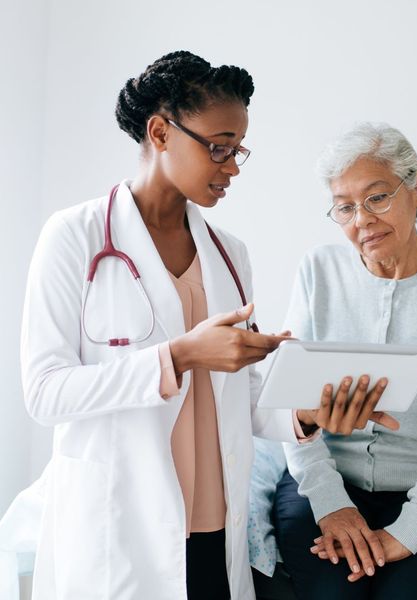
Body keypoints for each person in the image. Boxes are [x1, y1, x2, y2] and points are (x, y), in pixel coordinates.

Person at [17, 54, 396, 600]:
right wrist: (179, 356)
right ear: (160, 132)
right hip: (119, 527)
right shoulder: (73, 237)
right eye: (219, 147)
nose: (233, 166)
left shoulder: (230, 254)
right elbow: (45, 393)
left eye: (238, 150)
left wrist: (312, 412)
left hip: (214, 526)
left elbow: (242, 398)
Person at [273, 122, 417, 599]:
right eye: (345, 207)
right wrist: (332, 503)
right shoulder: (318, 270)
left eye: (377, 198)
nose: (362, 220)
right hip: (322, 485)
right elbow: (288, 401)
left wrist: (413, 525)